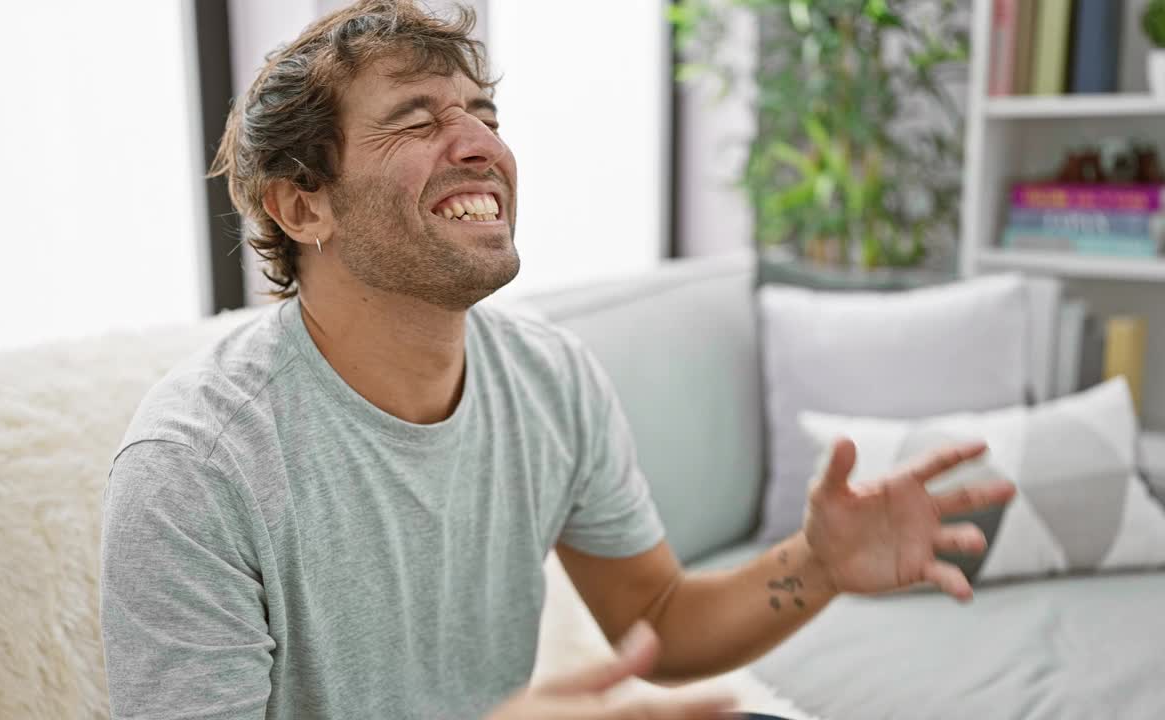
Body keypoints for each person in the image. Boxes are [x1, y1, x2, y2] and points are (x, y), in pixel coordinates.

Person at [98, 2, 1016, 718]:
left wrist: (815, 564)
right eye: (417, 121)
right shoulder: (195, 472)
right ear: (302, 208)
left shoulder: (549, 376)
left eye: (482, 113)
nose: (481, 146)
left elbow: (655, 617)